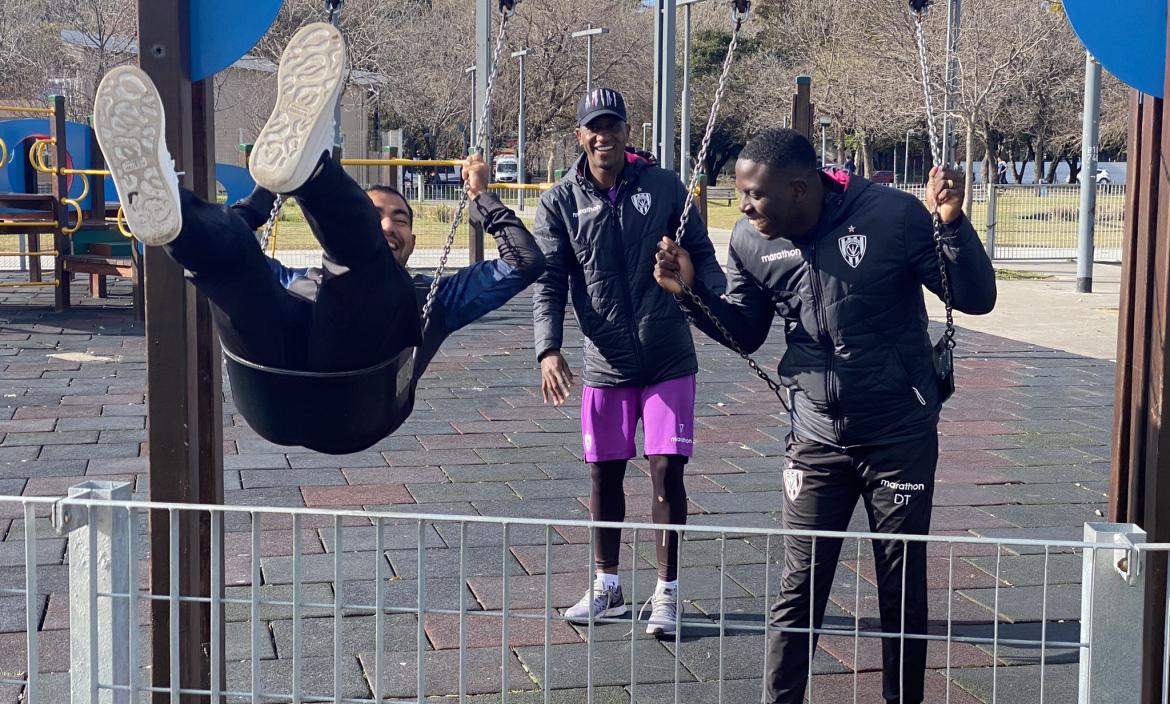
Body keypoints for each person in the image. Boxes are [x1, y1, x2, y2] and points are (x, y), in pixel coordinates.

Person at [653, 128, 996, 704]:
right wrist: (689, 293)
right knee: (800, 586)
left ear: (798, 188)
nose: (743, 205)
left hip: (899, 435)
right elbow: (744, 331)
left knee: (901, 585)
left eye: (754, 194)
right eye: (741, 193)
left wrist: (953, 226)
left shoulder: (895, 216)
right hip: (816, 436)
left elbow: (976, 297)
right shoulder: (752, 242)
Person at [93, 23, 543, 431]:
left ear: (413, 239)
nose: (388, 225)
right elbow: (238, 249)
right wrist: (264, 195)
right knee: (234, 263)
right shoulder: (295, 280)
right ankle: (177, 222)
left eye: (399, 219)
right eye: (377, 216)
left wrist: (482, 197)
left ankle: (310, 175)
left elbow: (525, 263)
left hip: (356, 407)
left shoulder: (437, 297)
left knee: (359, 266)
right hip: (272, 388)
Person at [531, 87, 724, 637]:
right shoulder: (560, 202)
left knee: (666, 468)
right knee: (604, 473)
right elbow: (548, 281)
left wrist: (718, 303)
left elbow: (702, 255)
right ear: (580, 136)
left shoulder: (663, 188)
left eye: (612, 125)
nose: (603, 135)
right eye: (593, 126)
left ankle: (667, 592)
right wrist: (548, 348)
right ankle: (608, 585)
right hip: (606, 361)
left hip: (667, 357)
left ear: (626, 131)